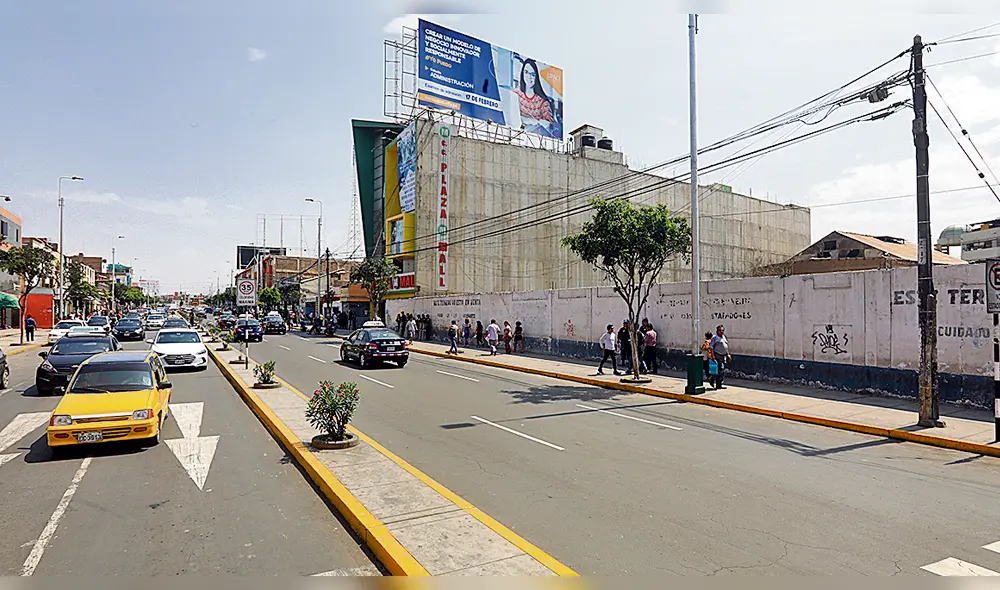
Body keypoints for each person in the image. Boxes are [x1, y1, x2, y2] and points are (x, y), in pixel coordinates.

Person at [515, 59, 555, 129]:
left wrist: (530, 121)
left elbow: (549, 125)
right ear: (522, 73)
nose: (529, 77)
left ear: (537, 77)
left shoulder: (542, 102)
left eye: (532, 74)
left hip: (535, 135)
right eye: (526, 72)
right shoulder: (516, 93)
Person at [709, 325, 732, 389]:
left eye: (723, 330)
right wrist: (712, 355)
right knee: (721, 369)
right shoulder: (715, 337)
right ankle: (713, 379)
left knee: (721, 370)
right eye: (720, 330)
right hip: (717, 354)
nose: (722, 332)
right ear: (717, 331)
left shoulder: (724, 337)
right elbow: (711, 347)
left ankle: (718, 384)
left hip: (723, 355)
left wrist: (728, 354)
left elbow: (726, 346)